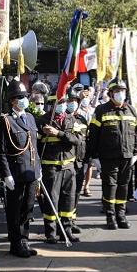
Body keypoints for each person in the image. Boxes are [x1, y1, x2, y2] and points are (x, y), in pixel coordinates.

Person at [0, 80, 40, 258]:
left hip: (31, 171)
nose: (24, 100)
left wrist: (39, 168)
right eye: (20, 97)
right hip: (16, 173)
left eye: (25, 97)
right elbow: (2, 151)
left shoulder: (30, 117)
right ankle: (15, 244)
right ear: (12, 101)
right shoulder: (5, 121)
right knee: (15, 210)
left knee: (28, 208)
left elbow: (34, 146)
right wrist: (6, 175)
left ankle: (24, 240)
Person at [87, 79, 137, 230]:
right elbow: (93, 135)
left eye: (122, 91)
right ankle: (110, 217)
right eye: (117, 91)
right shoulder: (101, 110)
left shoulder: (131, 110)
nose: (120, 94)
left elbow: (136, 134)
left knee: (123, 187)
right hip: (108, 158)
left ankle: (121, 215)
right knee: (110, 187)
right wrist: (94, 157)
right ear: (110, 94)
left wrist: (136, 153)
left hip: (127, 157)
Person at [37, 92, 81, 244]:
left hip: (68, 166)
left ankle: (66, 231)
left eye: (63, 102)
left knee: (68, 199)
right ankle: (51, 232)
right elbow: (37, 145)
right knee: (52, 200)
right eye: (58, 102)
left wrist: (59, 133)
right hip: (51, 167)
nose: (61, 105)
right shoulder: (42, 120)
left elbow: (77, 140)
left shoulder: (72, 119)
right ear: (51, 104)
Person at [67, 85, 89, 235]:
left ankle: (72, 220)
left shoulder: (81, 119)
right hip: (67, 163)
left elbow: (86, 140)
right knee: (66, 195)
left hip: (80, 162)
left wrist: (88, 158)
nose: (72, 103)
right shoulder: (62, 119)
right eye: (70, 100)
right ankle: (64, 222)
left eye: (75, 100)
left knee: (75, 194)